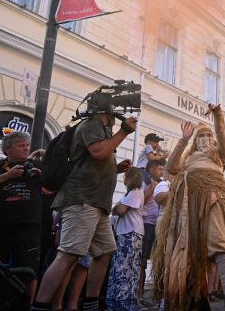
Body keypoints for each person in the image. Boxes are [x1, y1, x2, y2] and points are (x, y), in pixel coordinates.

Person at [32, 110, 136, 311]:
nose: (118, 112)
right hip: (83, 200)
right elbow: (98, 152)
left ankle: (91, 304)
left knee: (105, 252)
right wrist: (124, 131)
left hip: (96, 203)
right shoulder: (92, 123)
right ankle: (40, 305)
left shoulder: (102, 129)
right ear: (104, 109)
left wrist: (115, 169)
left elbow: (91, 163)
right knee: (68, 255)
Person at [152, 104, 225, 311]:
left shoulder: (219, 155)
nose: (205, 138)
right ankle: (195, 299)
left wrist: (218, 115)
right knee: (187, 251)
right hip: (187, 206)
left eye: (208, 135)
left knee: (220, 244)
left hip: (214, 200)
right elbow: (171, 167)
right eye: (201, 136)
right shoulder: (188, 158)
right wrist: (183, 139)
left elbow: (223, 135)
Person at [0, 132, 42, 300]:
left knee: (30, 269)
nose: (26, 148)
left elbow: (51, 188)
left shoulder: (36, 165)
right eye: (21, 145)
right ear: (7, 150)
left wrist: (42, 178)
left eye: (27, 145)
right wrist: (8, 175)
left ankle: (27, 305)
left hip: (28, 225)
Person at [107, 167, 145, 311]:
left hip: (131, 234)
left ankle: (123, 304)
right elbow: (116, 210)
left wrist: (117, 207)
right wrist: (116, 208)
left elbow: (120, 211)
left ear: (129, 178)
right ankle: (117, 302)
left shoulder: (136, 192)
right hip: (127, 233)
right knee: (123, 268)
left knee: (125, 269)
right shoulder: (131, 194)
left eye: (125, 176)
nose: (123, 179)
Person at [139, 159, 164, 305]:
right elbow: (140, 201)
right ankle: (139, 295)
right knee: (141, 262)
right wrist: (151, 187)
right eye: (159, 169)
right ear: (151, 169)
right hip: (145, 225)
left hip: (156, 226)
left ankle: (153, 295)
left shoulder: (161, 184)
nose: (161, 172)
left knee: (153, 261)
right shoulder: (144, 183)